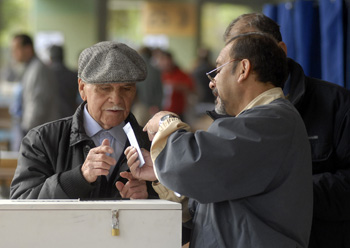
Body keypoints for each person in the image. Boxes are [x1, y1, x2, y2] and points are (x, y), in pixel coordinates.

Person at [125, 33, 313, 247]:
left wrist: (165, 122)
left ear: (243, 69)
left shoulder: (271, 120)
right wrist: (160, 171)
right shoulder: (259, 120)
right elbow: (210, 192)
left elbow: (193, 163)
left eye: (217, 70)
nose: (212, 83)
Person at [223, 13, 350, 248]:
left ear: (280, 50)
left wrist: (285, 189)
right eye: (237, 57)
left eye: (253, 49)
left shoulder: (337, 104)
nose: (245, 66)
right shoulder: (228, 114)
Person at [10, 41, 157, 200]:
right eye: (104, 88)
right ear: (82, 89)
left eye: (126, 89)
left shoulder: (153, 144)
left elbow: (181, 213)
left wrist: (150, 198)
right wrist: (79, 177)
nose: (116, 99)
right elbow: (21, 202)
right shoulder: (41, 140)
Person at [10, 34, 60, 140]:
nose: (13, 53)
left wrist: (27, 130)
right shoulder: (30, 67)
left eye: (16, 49)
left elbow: (38, 104)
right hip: (34, 130)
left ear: (28, 49)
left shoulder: (38, 69)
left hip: (37, 132)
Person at [154, 49, 195, 120]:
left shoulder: (181, 74)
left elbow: (191, 88)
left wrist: (176, 86)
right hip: (159, 112)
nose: (164, 63)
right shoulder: (157, 75)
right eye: (161, 60)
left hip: (177, 113)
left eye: (165, 60)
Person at [132, 46, 163, 126]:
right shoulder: (156, 71)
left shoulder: (135, 70)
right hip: (153, 108)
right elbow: (160, 91)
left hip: (139, 106)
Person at [48, 45, 79, 118]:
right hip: (70, 116)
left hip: (51, 119)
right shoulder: (73, 75)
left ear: (50, 57)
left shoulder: (46, 76)